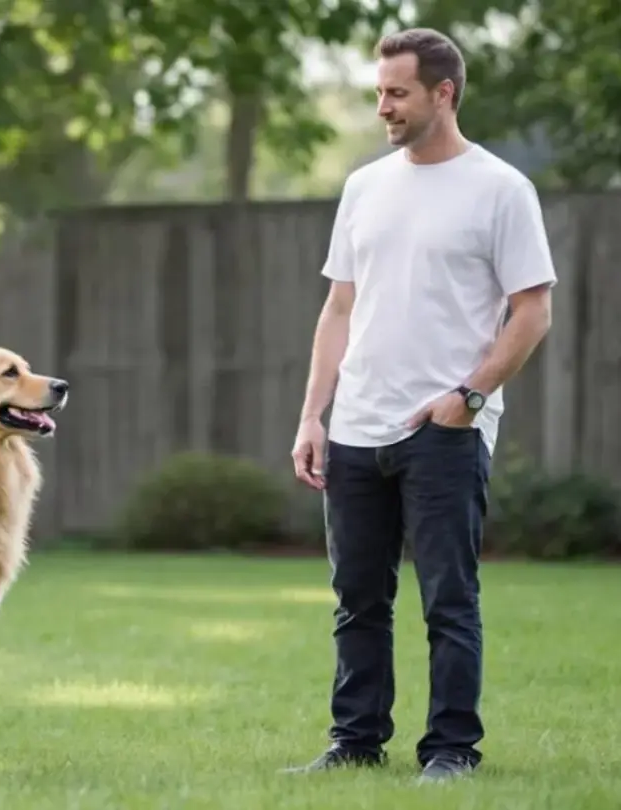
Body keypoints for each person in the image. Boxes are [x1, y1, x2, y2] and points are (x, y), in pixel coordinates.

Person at [284, 28, 556, 783]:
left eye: (397, 93)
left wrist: (469, 398)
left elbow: (533, 309)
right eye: (378, 93)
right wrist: (314, 415)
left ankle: (450, 750)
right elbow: (338, 307)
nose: (383, 108)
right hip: (357, 428)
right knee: (357, 602)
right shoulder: (365, 187)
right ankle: (355, 741)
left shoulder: (501, 189)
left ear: (444, 93)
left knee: (448, 600)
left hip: (444, 430)